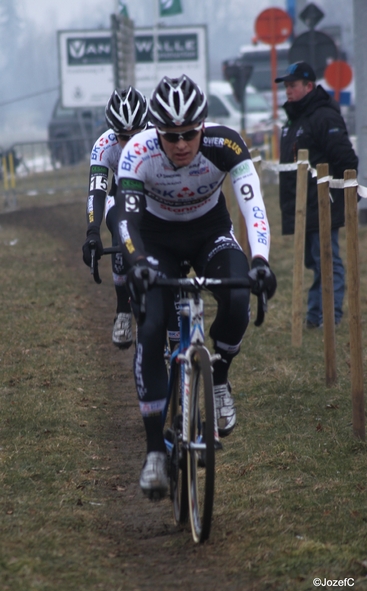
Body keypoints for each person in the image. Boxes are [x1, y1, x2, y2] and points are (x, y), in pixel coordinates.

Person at [114, 74, 277, 499]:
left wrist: (260, 261)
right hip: (156, 241)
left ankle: (218, 376)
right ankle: (154, 452)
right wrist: (135, 262)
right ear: (156, 132)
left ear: (203, 126)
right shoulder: (138, 152)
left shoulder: (226, 145)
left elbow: (253, 205)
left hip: (210, 234)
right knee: (150, 329)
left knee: (238, 294)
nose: (182, 143)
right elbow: (126, 220)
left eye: (190, 133)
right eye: (171, 135)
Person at [275, 61, 358, 328]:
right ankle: (314, 315)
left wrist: (343, 196)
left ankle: (329, 317)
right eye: (286, 86)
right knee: (314, 261)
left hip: (322, 203)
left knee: (327, 260)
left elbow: (346, 159)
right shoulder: (293, 118)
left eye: (293, 85)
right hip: (303, 206)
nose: (288, 91)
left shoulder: (324, 117)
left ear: (309, 86)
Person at [82, 87, 149, 348]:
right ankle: (123, 309)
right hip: (120, 196)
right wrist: (92, 231)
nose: (131, 142)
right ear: (113, 132)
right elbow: (96, 191)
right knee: (122, 231)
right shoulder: (104, 145)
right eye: (123, 136)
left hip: (154, 196)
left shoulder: (160, 135)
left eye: (137, 134)